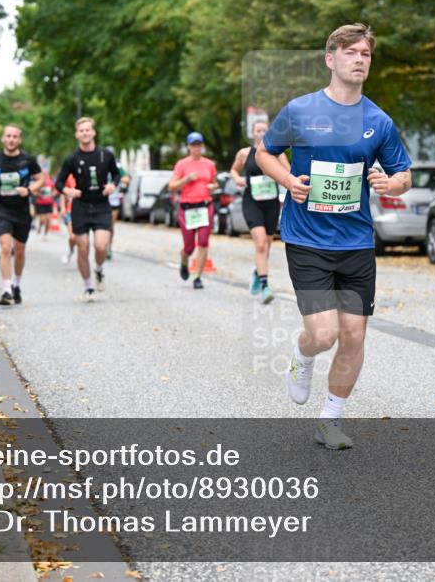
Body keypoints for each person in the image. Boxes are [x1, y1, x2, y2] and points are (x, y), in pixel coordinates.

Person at [256, 23, 413, 450]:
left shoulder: (378, 121)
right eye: (351, 52)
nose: (360, 60)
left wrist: (391, 184)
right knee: (323, 335)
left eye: (366, 54)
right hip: (307, 239)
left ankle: (330, 420)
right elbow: (264, 153)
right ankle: (303, 354)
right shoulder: (301, 111)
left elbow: (404, 175)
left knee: (354, 335)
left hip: (356, 241)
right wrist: (289, 181)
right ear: (330, 59)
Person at [54, 117, 121, 301]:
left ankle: (98, 269)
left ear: (93, 132)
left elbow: (116, 175)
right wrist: (68, 191)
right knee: (82, 248)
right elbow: (59, 182)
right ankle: (88, 286)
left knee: (101, 246)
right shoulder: (72, 158)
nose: (84, 133)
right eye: (81, 131)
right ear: (77, 134)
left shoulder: (106, 155)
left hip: (101, 205)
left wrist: (112, 186)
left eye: (87, 130)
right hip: (81, 206)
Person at [0, 123, 43, 306]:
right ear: (3, 139)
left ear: (19, 140)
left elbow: (41, 179)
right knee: (5, 247)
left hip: (21, 210)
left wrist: (29, 190)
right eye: (8, 136)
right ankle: (7, 290)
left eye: (15, 136)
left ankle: (16, 284)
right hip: (1, 209)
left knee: (20, 249)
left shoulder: (28, 160)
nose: (11, 139)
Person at [230, 119, 288, 304]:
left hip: (271, 203)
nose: (262, 133)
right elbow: (233, 170)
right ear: (253, 133)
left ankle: (258, 272)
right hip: (252, 202)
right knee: (261, 243)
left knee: (267, 246)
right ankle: (265, 286)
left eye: (265, 130)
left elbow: (289, 173)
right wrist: (237, 179)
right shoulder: (244, 153)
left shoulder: (277, 154)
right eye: (258, 130)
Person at [169, 132, 218, 290]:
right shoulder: (182, 164)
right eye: (193, 145)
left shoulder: (209, 164)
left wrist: (212, 186)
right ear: (188, 147)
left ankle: (197, 277)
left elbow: (215, 183)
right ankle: (184, 260)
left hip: (204, 206)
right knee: (189, 247)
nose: (196, 148)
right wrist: (186, 179)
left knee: (203, 241)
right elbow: (171, 186)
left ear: (202, 146)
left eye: (199, 145)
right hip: (187, 209)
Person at [103, 146, 129, 260]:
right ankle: (102, 245)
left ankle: (109, 247)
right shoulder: (100, 164)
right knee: (103, 225)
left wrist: (116, 180)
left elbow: (127, 179)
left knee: (110, 225)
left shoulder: (117, 166)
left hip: (114, 200)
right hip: (102, 199)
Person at [33, 168, 56, 239]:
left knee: (48, 220)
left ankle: (45, 234)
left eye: (45, 174)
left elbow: (55, 190)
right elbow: (34, 191)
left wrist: (52, 194)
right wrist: (39, 194)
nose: (44, 175)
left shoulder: (50, 182)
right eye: (43, 174)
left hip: (49, 203)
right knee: (43, 219)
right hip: (41, 203)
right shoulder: (38, 182)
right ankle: (40, 226)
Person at [60, 172, 77, 264]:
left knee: (81, 239)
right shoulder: (69, 176)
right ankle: (71, 251)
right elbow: (63, 192)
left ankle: (82, 259)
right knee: (72, 237)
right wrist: (63, 207)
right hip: (71, 210)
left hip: (84, 211)